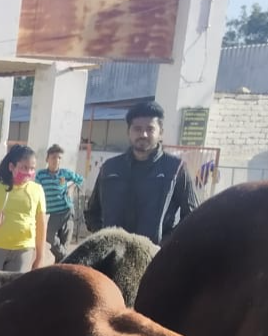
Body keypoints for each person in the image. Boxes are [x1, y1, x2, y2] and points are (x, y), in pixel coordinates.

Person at [84, 100, 198, 244]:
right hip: (111, 258)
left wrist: (167, 242)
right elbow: (92, 213)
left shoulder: (176, 169)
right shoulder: (110, 168)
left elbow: (193, 216)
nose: (143, 134)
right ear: (128, 132)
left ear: (160, 133)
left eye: (150, 129)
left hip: (155, 259)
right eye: (137, 129)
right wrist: (105, 238)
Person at [0, 144, 46, 272]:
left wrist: (40, 256)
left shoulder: (37, 190)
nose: (28, 172)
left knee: (17, 291)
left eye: (32, 168)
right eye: (24, 167)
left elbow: (41, 224)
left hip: (23, 250)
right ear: (11, 167)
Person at [34, 144, 84, 260]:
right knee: (49, 237)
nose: (56, 160)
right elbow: (36, 190)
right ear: (47, 159)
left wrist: (71, 187)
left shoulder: (64, 173)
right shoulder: (41, 175)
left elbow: (80, 180)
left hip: (66, 210)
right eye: (53, 157)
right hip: (52, 213)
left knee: (65, 241)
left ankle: (61, 266)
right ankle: (65, 258)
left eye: (59, 158)